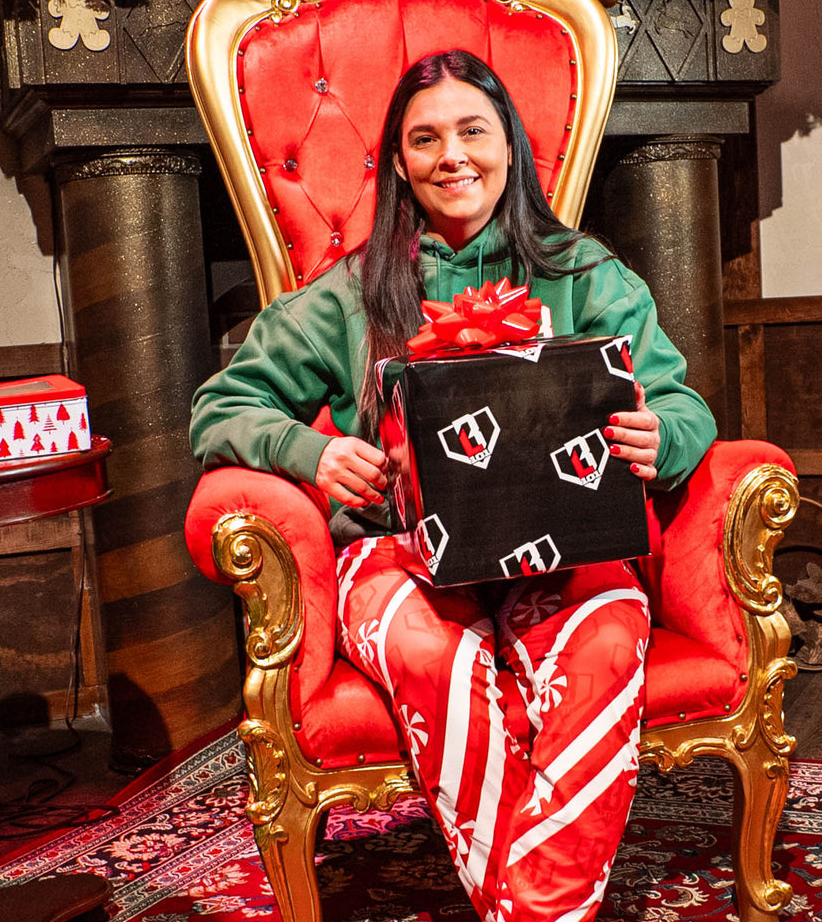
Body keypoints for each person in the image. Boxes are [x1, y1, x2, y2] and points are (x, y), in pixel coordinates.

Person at [190, 49, 716, 922]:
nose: (452, 155)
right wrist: (305, 452)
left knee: (606, 648)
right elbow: (220, 408)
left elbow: (679, 399)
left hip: (564, 551)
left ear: (510, 143)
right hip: (395, 551)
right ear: (400, 163)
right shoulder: (354, 291)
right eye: (425, 139)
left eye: (473, 130)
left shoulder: (584, 273)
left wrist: (662, 435)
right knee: (438, 657)